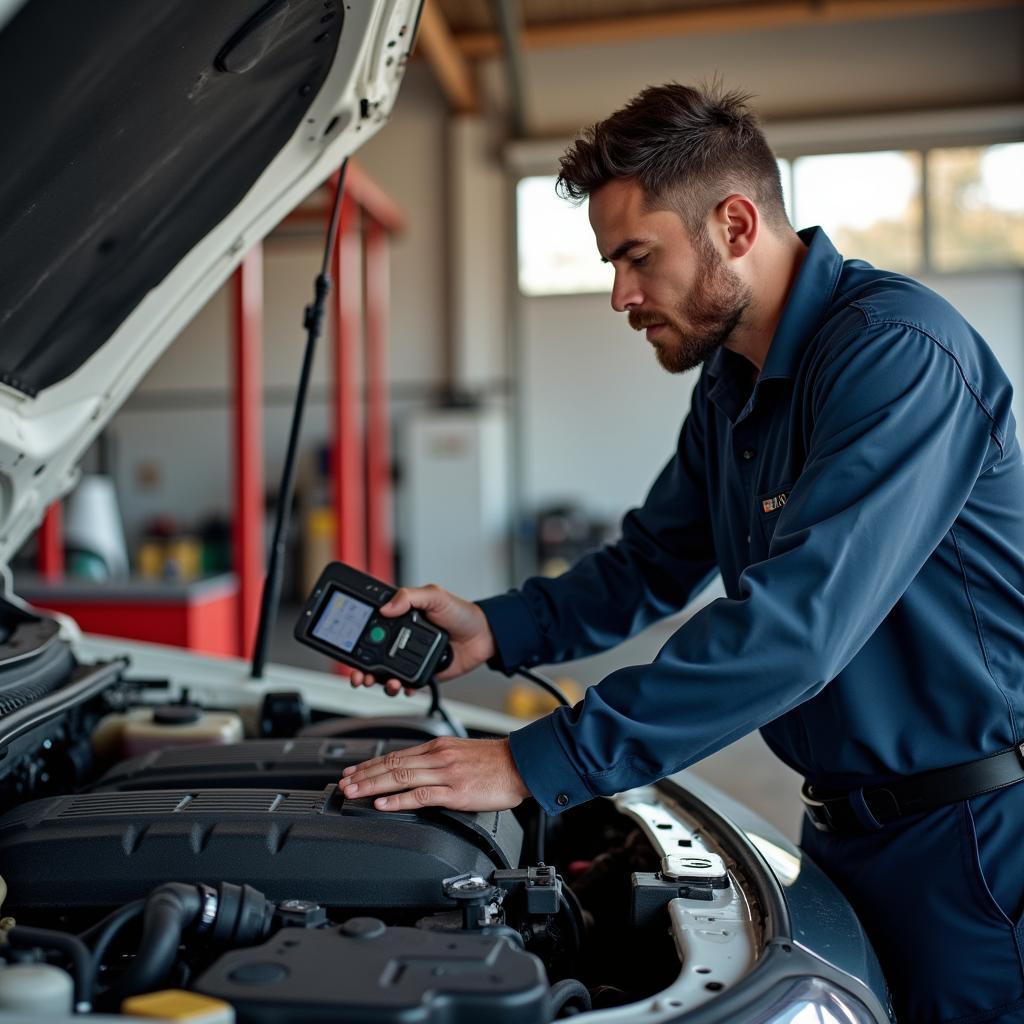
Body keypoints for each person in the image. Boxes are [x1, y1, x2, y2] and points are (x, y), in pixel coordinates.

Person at [339, 82, 1024, 1023]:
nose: (620, 293)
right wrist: (491, 628)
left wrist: (541, 760)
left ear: (735, 223)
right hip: (840, 825)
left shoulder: (896, 356)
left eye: (636, 257)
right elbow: (651, 562)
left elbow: (795, 628)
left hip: (974, 842)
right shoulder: (733, 387)